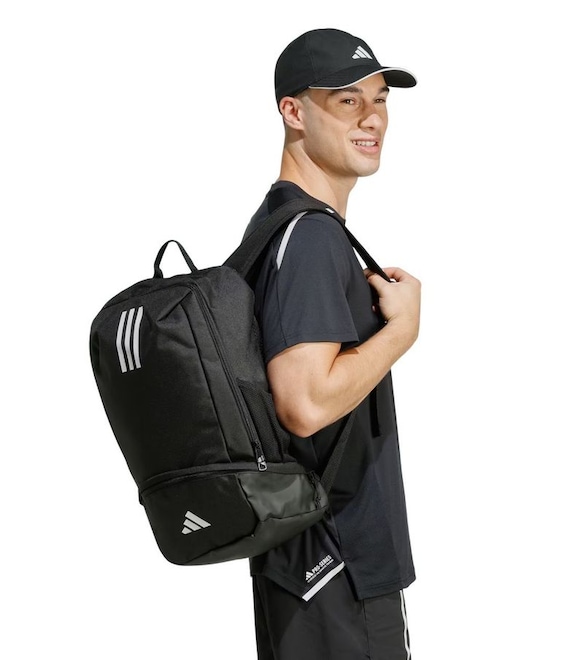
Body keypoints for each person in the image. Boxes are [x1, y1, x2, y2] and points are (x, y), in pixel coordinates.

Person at [243, 28, 422, 660]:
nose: (373, 118)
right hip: (338, 568)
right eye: (348, 101)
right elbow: (305, 403)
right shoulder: (311, 238)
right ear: (293, 112)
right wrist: (401, 331)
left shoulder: (282, 229)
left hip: (306, 568)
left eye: (380, 99)